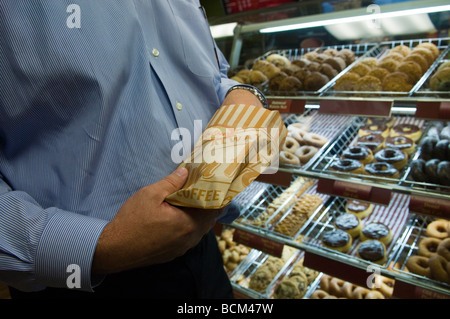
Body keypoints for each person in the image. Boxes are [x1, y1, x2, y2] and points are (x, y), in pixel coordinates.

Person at [0, 0, 266, 298]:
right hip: (81, 278)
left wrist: (241, 94)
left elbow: (209, 74)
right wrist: (106, 247)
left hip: (203, 251)